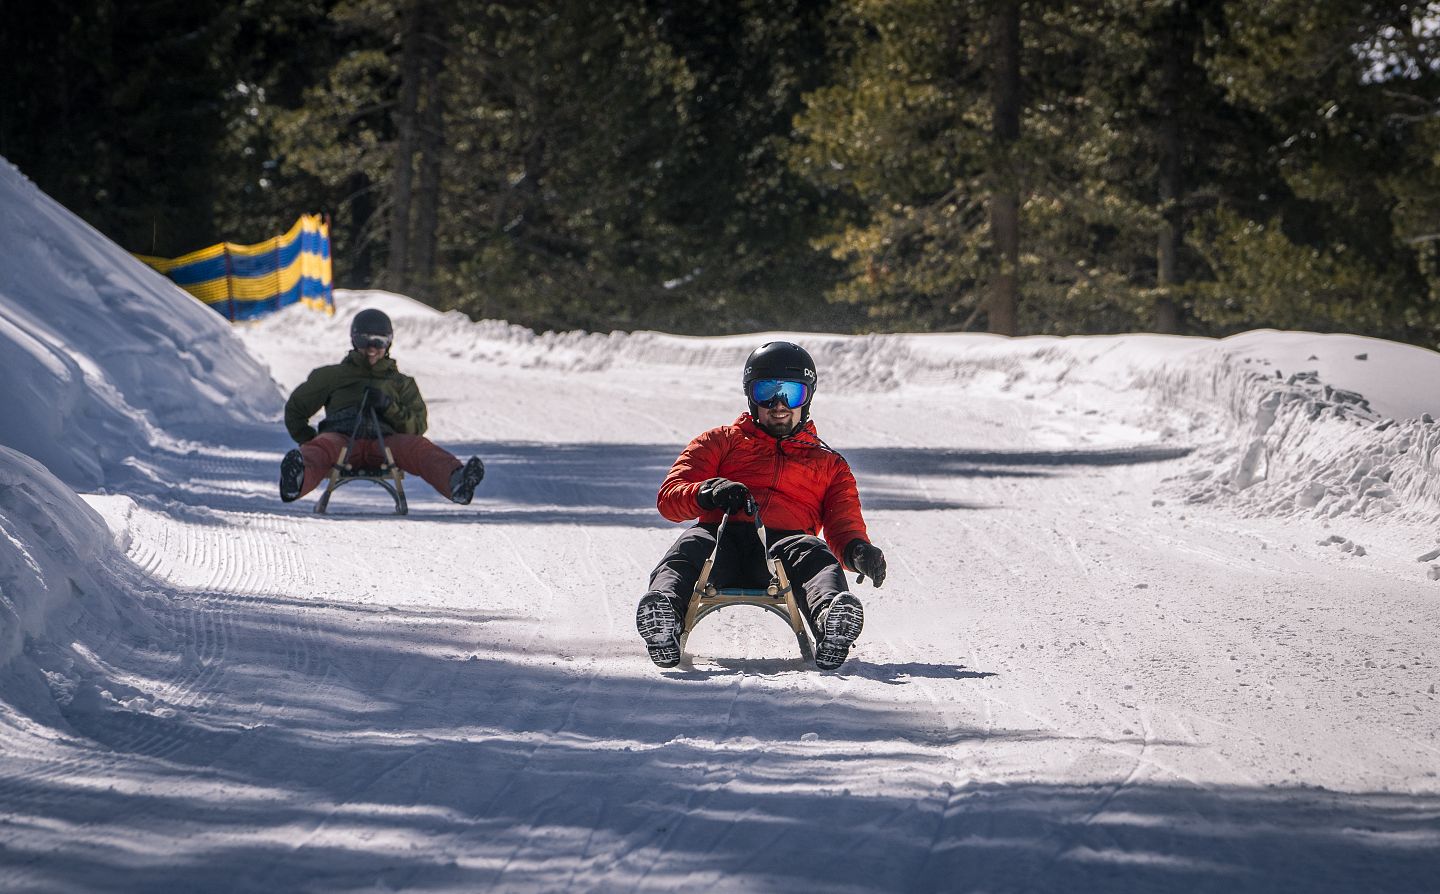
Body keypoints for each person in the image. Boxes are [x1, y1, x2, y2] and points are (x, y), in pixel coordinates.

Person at [635, 341, 887, 670]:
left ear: (807, 398)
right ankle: (664, 616)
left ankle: (831, 620)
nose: (778, 405)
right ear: (751, 397)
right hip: (721, 539)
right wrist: (708, 492)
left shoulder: (829, 465)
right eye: (766, 392)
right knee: (689, 547)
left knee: (816, 554)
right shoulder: (719, 442)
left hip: (785, 548)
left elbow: (843, 525)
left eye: (791, 394)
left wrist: (858, 552)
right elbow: (670, 498)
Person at [278, 308, 485, 505]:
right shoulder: (332, 376)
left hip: (385, 444)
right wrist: (308, 439)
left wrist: (389, 407)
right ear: (354, 340)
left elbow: (418, 426)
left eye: (379, 342)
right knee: (320, 449)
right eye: (364, 341)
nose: (371, 349)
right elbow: (296, 409)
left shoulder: (400, 383)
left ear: (389, 343)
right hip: (341, 438)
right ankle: (297, 479)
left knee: (418, 448)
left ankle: (457, 481)